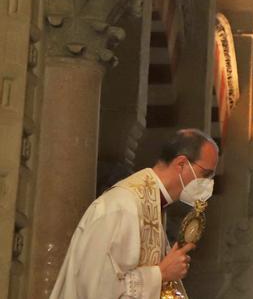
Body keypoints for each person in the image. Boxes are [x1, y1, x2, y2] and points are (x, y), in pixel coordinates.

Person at [51, 128, 219, 299]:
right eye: (205, 174)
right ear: (181, 164)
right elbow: (96, 288)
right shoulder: (122, 205)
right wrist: (160, 274)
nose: (208, 184)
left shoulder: (154, 205)